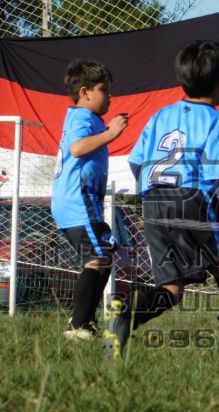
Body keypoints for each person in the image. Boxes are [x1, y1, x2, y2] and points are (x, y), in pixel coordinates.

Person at [103, 40, 219, 359]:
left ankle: (126, 313)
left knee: (171, 289)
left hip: (154, 204)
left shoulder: (160, 115)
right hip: (191, 203)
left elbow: (137, 161)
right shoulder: (215, 121)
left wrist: (152, 195)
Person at [51, 59, 128, 340]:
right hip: (77, 202)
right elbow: (77, 148)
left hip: (82, 204)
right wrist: (111, 133)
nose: (109, 96)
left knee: (104, 256)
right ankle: (77, 326)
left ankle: (85, 320)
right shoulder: (82, 117)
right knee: (97, 259)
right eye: (104, 90)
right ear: (85, 92)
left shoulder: (89, 119)